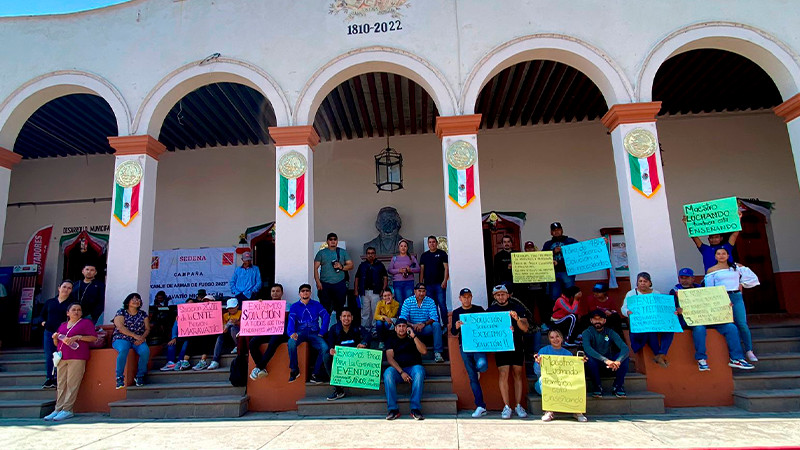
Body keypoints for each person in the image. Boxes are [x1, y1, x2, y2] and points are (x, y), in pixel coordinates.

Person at [670, 268, 754, 371]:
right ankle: (701, 359)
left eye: (687, 278)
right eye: (682, 278)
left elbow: (715, 301)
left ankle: (736, 358)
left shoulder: (703, 289)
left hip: (711, 319)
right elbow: (671, 308)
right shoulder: (675, 290)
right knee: (699, 329)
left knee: (731, 327)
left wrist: (725, 305)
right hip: (692, 321)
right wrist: (677, 310)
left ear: (693, 278)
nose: (684, 280)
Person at [43, 303, 98, 421]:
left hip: (77, 356)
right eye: (73, 310)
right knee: (61, 383)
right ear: (68, 313)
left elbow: (93, 337)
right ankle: (58, 408)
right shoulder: (63, 325)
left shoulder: (86, 323)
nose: (76, 312)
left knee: (72, 383)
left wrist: (78, 337)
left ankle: (67, 409)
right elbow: (57, 343)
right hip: (62, 357)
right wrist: (54, 338)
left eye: (79, 310)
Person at [705, 248, 758, 362]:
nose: (721, 256)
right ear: (715, 257)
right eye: (718, 254)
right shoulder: (711, 270)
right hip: (722, 298)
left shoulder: (736, 267)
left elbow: (752, 278)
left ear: (728, 255)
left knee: (742, 323)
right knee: (728, 325)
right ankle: (734, 354)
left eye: (724, 253)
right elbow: (710, 289)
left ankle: (749, 350)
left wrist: (741, 284)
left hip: (736, 296)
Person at [487, 284, 529, 419]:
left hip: (516, 345)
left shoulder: (517, 308)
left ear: (508, 295)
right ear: (494, 296)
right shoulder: (490, 311)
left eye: (503, 294)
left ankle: (518, 405)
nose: (501, 297)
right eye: (498, 294)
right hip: (501, 347)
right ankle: (506, 406)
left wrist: (517, 320)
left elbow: (525, 328)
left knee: (517, 374)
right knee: (503, 374)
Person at [621, 272, 674, 368]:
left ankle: (661, 353)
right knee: (650, 331)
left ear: (650, 283)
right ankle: (658, 354)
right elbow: (623, 308)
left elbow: (662, 308)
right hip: (641, 323)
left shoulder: (656, 293)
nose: (642, 283)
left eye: (645, 281)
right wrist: (628, 312)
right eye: (640, 281)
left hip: (656, 321)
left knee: (670, 329)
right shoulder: (631, 294)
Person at [534, 329, 587, 423]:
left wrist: (580, 363)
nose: (555, 339)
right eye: (552, 337)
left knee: (576, 382)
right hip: (545, 383)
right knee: (543, 379)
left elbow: (572, 374)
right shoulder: (543, 351)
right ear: (549, 339)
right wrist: (538, 363)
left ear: (562, 338)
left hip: (563, 383)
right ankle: (549, 411)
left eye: (557, 336)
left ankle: (577, 411)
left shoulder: (568, 354)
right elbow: (537, 373)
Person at [451, 288, 488, 418]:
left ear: (471, 297)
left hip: (478, 346)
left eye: (468, 296)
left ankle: (477, 370)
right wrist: (456, 326)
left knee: (483, 365)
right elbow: (453, 332)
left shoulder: (479, 309)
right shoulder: (456, 312)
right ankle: (480, 405)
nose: (466, 299)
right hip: (465, 346)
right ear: (460, 298)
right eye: (464, 297)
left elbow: (488, 324)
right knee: (472, 377)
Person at [383, 318, 427, 420]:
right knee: (387, 373)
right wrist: (401, 372)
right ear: (395, 328)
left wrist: (414, 336)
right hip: (398, 371)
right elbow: (390, 358)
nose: (401, 329)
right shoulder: (390, 339)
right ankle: (393, 409)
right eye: (399, 326)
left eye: (403, 326)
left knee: (419, 371)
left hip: (413, 368)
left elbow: (424, 351)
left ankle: (415, 409)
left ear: (407, 328)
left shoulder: (413, 337)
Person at [286, 284, 331, 383]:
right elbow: (291, 319)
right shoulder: (294, 306)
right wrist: (291, 332)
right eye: (302, 291)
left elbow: (326, 316)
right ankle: (294, 369)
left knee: (325, 348)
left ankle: (315, 374)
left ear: (310, 293)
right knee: (291, 342)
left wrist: (322, 331)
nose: (305, 292)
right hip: (300, 333)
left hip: (314, 333)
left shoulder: (316, 304)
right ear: (299, 293)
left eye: (307, 290)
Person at [582, 309, 630, 398]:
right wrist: (605, 360)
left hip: (610, 366)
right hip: (594, 366)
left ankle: (618, 387)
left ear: (604, 320)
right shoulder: (587, 332)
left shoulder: (610, 332)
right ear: (591, 320)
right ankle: (597, 387)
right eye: (595, 319)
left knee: (625, 357)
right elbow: (587, 348)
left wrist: (618, 361)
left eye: (600, 319)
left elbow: (625, 348)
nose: (597, 321)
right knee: (589, 357)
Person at [325, 309, 371, 400]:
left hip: (354, 359)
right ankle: (338, 389)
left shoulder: (357, 327)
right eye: (344, 316)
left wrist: (363, 343)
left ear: (352, 318)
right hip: (340, 359)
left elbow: (368, 335)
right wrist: (331, 349)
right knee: (326, 357)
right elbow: (330, 342)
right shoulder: (334, 329)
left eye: (348, 316)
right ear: (340, 318)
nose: (346, 318)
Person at [249, 284, 290, 380]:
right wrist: (260, 306)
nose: (275, 293)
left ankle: (258, 367)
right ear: (270, 293)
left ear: (282, 293)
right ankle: (262, 368)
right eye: (273, 291)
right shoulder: (264, 304)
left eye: (277, 291)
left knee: (273, 342)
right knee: (253, 343)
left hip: (280, 332)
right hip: (267, 331)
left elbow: (285, 317)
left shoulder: (287, 305)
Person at [37, 280, 73, 389]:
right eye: (64, 287)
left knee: (61, 355)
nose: (66, 289)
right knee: (49, 355)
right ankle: (49, 378)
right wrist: (43, 322)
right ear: (59, 288)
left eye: (69, 288)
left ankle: (59, 378)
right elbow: (41, 315)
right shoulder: (50, 302)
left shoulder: (71, 304)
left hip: (63, 333)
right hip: (49, 332)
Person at [112, 293, 151, 389]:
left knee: (145, 351)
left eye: (138, 299)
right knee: (123, 349)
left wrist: (141, 338)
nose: (136, 301)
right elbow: (120, 327)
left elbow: (147, 329)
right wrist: (135, 336)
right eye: (133, 299)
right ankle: (119, 377)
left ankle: (140, 376)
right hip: (122, 337)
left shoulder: (143, 314)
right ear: (128, 302)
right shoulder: (121, 312)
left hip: (138, 339)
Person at [398, 283, 444, 363]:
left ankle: (438, 353)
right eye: (419, 291)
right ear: (415, 291)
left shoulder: (430, 301)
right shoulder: (408, 301)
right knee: (402, 326)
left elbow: (434, 317)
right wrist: (412, 325)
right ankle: (401, 353)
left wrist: (424, 324)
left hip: (425, 327)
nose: (421, 293)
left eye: (423, 291)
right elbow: (402, 318)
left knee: (436, 325)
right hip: (412, 328)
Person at [314, 233, 354, 318]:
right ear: (327, 241)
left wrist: (342, 266)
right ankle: (325, 330)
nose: (333, 241)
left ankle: (339, 329)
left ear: (337, 241)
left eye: (335, 239)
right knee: (325, 310)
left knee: (340, 309)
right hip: (325, 284)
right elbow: (315, 268)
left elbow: (351, 265)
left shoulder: (342, 252)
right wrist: (318, 282)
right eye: (330, 239)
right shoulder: (321, 253)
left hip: (339, 284)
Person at [354, 246, 388, 334]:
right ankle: (365, 330)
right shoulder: (362, 265)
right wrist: (356, 290)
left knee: (375, 311)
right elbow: (357, 278)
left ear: (375, 254)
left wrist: (383, 289)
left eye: (372, 253)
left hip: (376, 292)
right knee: (365, 312)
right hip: (364, 292)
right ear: (366, 255)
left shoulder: (380, 265)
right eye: (368, 253)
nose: (370, 255)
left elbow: (385, 277)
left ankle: (374, 330)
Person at [542, 222, 578, 300]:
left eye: (558, 229)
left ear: (562, 230)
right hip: (553, 273)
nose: (556, 231)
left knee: (570, 294)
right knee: (555, 296)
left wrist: (601, 243)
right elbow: (542, 257)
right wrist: (553, 252)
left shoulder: (571, 241)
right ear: (551, 232)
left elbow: (583, 250)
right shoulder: (547, 244)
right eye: (554, 230)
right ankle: (557, 312)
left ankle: (571, 311)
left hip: (567, 272)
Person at [419, 236, 449, 327]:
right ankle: (437, 325)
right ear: (428, 244)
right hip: (428, 285)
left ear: (437, 243)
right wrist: (421, 284)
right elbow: (422, 270)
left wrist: (445, 280)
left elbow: (446, 268)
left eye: (433, 242)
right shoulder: (424, 255)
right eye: (430, 242)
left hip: (439, 284)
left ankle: (446, 325)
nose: (432, 244)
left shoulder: (442, 254)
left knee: (442, 305)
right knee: (433, 306)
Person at [519, 240, 551, 326]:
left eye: (531, 248)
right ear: (525, 249)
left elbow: (547, 268)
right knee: (529, 307)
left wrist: (551, 263)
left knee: (543, 307)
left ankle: (544, 324)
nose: (530, 250)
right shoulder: (520, 259)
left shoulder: (540, 257)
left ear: (534, 248)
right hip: (528, 289)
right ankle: (531, 324)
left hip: (540, 287)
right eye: (528, 248)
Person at [206, 298, 241, 370]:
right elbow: (222, 325)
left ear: (237, 306)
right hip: (228, 335)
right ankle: (215, 360)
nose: (230, 310)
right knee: (220, 337)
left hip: (239, 335)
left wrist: (237, 323)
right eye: (229, 308)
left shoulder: (242, 312)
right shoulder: (225, 315)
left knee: (233, 328)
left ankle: (238, 346)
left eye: (232, 308)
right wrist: (224, 328)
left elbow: (247, 325)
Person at [388, 239, 419, 308]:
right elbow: (389, 270)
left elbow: (418, 269)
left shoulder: (412, 258)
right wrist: (399, 270)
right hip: (397, 283)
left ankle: (408, 318)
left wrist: (410, 270)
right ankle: (401, 318)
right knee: (399, 302)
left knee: (409, 301)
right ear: (399, 247)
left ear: (407, 248)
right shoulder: (394, 258)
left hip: (408, 282)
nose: (403, 248)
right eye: (401, 246)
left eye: (405, 246)